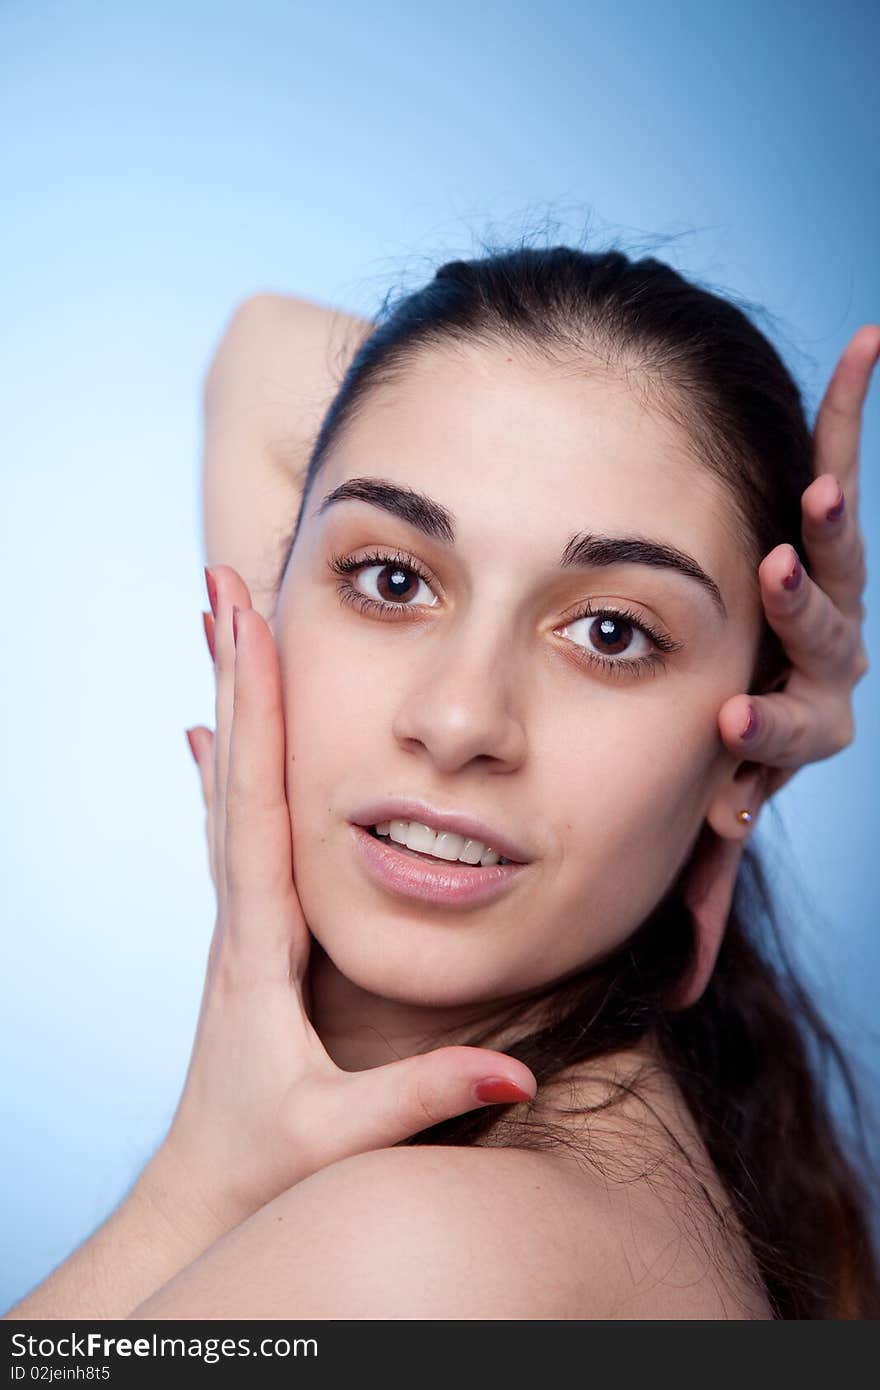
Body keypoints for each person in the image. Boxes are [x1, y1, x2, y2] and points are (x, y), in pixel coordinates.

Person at [5, 244, 877, 1321]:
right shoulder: (608, 1172)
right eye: (394, 577)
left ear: (744, 740)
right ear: (283, 585)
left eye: (610, 633)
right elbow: (256, 348)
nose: (457, 718)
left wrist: (196, 1185)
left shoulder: (431, 1252)